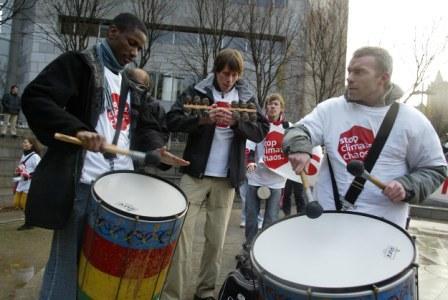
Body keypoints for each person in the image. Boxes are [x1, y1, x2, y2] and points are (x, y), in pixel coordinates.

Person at [21, 13, 154, 300]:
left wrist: (156, 151)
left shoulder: (127, 84)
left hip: (117, 188)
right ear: (112, 32)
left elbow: (138, 130)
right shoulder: (79, 65)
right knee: (66, 264)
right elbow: (36, 97)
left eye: (139, 48)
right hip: (82, 184)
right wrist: (78, 129)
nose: (133, 52)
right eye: (131, 42)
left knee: (99, 268)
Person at [283, 46, 447, 228]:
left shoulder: (412, 120)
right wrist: (299, 147)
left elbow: (435, 169)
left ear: (383, 78)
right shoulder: (331, 110)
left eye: (359, 72)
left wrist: (407, 185)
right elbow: (299, 131)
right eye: (350, 71)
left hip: (383, 231)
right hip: (329, 226)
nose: (350, 78)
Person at [162, 48, 269, 300]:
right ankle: (171, 295)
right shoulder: (198, 91)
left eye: (234, 75)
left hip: (226, 179)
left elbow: (261, 130)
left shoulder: (247, 97)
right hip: (194, 173)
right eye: (224, 74)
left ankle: (205, 292)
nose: (229, 79)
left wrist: (236, 122)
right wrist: (202, 120)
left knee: (216, 241)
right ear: (216, 71)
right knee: (182, 238)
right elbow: (172, 120)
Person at [244, 93, 288, 248]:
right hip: (255, 177)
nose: (272, 107)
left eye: (276, 104)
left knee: (271, 217)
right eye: (269, 104)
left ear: (281, 108)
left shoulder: (288, 128)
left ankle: (265, 248)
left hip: (277, 180)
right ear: (265, 108)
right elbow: (249, 147)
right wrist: (250, 162)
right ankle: (249, 246)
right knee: (251, 215)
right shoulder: (258, 125)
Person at [13, 136, 42, 230]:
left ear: (32, 145)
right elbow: (22, 166)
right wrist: (19, 171)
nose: (24, 144)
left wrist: (30, 175)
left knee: (24, 203)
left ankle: (29, 223)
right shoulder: (24, 155)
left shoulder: (35, 156)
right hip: (22, 181)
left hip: (29, 183)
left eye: (27, 143)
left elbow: (39, 169)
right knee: (17, 202)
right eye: (24, 142)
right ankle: (31, 219)